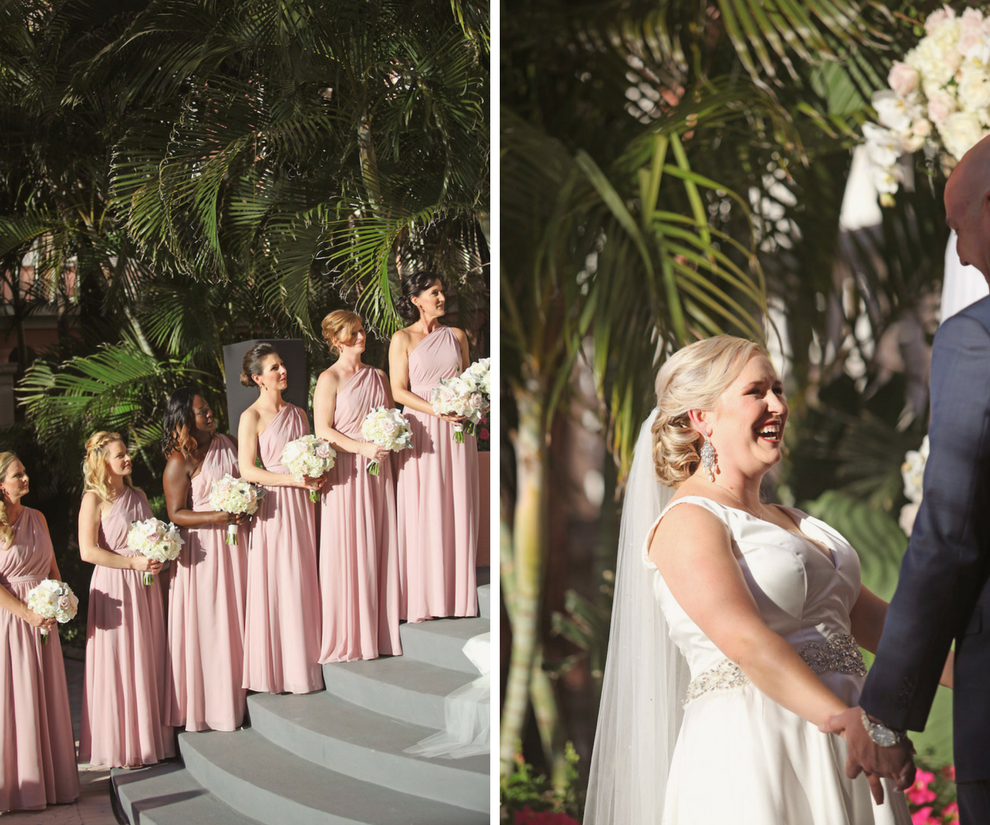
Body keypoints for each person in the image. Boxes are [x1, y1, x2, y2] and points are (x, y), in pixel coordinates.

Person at [584, 335, 933, 825]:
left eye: (779, 389)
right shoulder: (689, 520)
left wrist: (975, 672)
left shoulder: (794, 520)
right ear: (702, 418)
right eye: (756, 392)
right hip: (759, 743)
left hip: (846, 736)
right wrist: (844, 722)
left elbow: (885, 628)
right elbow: (746, 641)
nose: (777, 405)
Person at [825, 134, 990, 823]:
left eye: (959, 227)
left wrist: (886, 716)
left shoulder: (976, 338)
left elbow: (949, 533)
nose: (961, 254)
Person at [77, 432, 174, 768]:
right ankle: (123, 744)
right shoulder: (93, 499)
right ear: (104, 462)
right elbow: (88, 551)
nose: (127, 459)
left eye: (126, 453)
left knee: (145, 655)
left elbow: (150, 533)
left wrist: (158, 553)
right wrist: (132, 562)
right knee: (119, 659)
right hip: (113, 586)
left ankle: (150, 739)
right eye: (119, 455)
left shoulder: (139, 494)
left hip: (144, 583)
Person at [389, 271, 479, 623]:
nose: (441, 298)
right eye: (434, 292)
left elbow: (471, 380)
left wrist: (468, 405)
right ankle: (425, 596)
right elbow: (398, 390)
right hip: (423, 428)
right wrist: (438, 409)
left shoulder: (457, 336)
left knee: (457, 500)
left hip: (456, 428)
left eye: (443, 291)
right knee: (425, 503)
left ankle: (457, 594)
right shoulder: (402, 339)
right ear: (416, 300)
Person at [313, 311, 402, 662]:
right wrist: (362, 446)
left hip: (379, 469)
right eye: (353, 334)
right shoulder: (329, 378)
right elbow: (323, 429)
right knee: (349, 547)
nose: (361, 338)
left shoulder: (378, 375)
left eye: (362, 331)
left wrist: (389, 438)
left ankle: (380, 627)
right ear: (337, 341)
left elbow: (393, 416)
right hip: (347, 472)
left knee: (379, 541)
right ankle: (352, 632)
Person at [236, 343, 324, 694]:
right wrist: (292, 480)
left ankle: (307, 662)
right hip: (274, 507)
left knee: (303, 577)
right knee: (281, 581)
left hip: (303, 503)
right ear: (258, 378)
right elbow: (247, 469)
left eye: (282, 364)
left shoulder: (299, 413)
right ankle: (282, 670)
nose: (282, 371)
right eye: (274, 368)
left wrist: (316, 471)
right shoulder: (251, 417)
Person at [162, 388, 251, 731]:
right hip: (206, 554)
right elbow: (176, 513)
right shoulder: (178, 461)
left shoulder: (228, 441)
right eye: (202, 412)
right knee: (216, 625)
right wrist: (218, 517)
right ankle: (219, 705)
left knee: (243, 614)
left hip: (238, 543)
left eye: (210, 409)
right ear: (185, 421)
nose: (210, 415)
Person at [0, 452, 80, 811]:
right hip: (11, 620)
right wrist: (27, 614)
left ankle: (54, 784)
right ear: (1, 485)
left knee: (46, 696)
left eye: (26, 472)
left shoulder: (39, 518)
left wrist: (59, 603)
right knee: (15, 699)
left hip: (43, 620)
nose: (26, 478)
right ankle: (19, 788)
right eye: (18, 475)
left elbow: (52, 569)